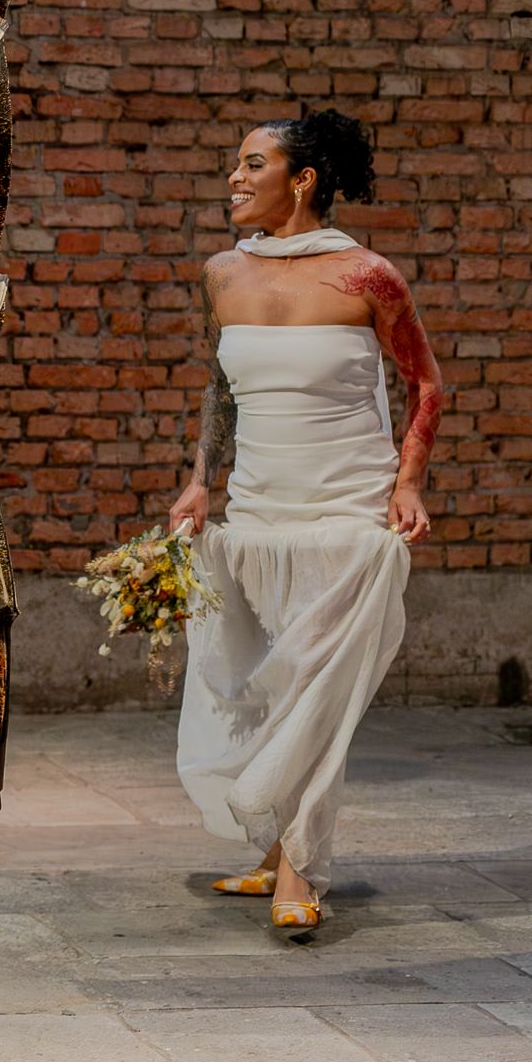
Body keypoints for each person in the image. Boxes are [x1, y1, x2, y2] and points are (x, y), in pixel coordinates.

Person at [168, 110, 444, 932]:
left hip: (347, 515)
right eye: (233, 165)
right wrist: (198, 484)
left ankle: (299, 870)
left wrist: (410, 483)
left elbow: (425, 385)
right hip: (256, 511)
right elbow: (222, 391)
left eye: (253, 164)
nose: (234, 179)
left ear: (304, 180)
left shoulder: (367, 276)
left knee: (320, 692)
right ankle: (268, 853)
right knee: (263, 688)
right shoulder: (223, 274)